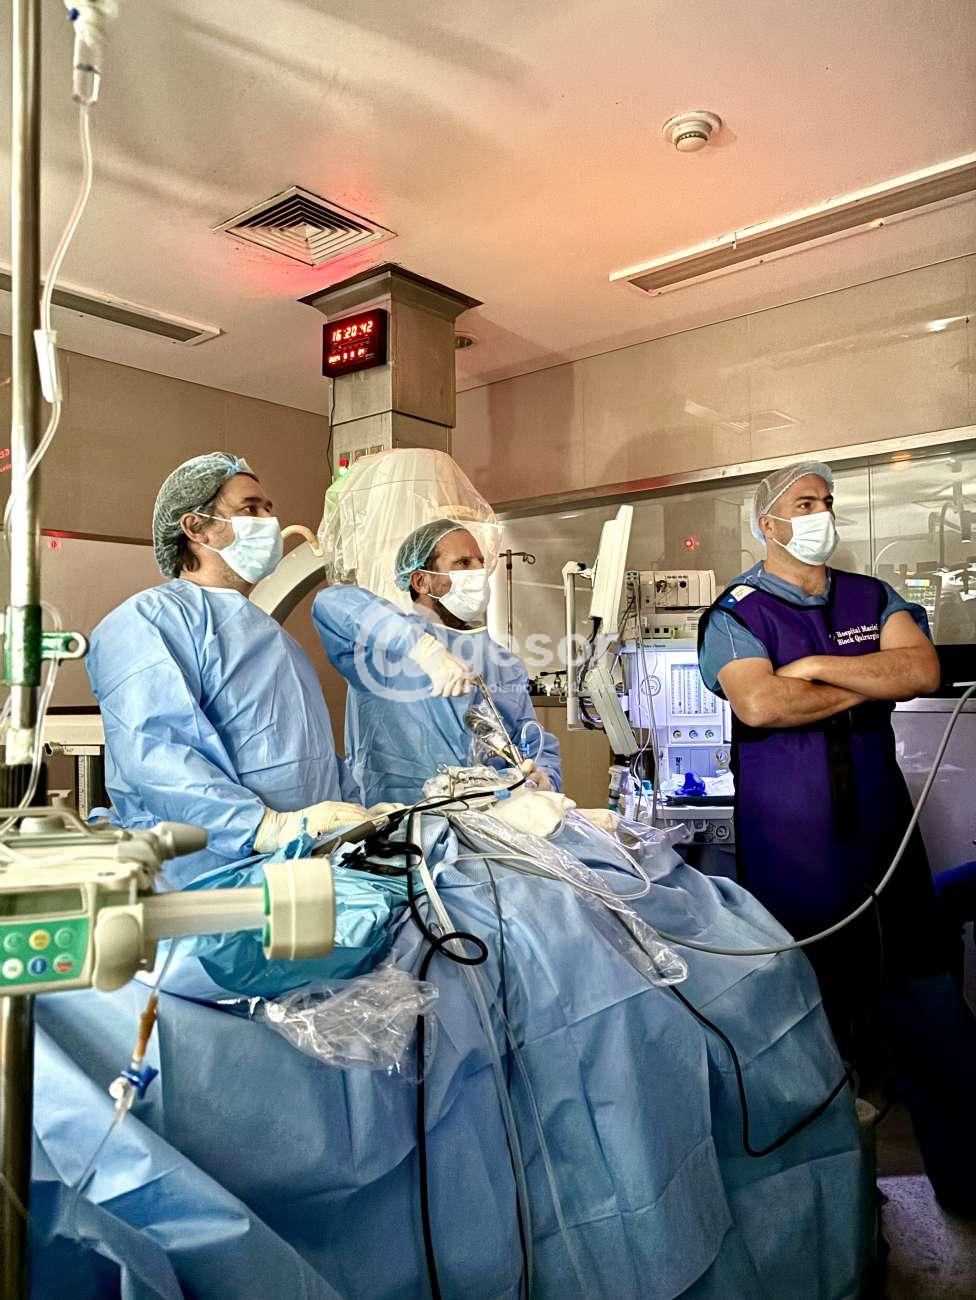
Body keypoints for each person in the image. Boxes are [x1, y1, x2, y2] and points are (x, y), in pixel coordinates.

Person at [697, 459, 976, 1213]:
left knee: (934, 1016)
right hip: (795, 859)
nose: (820, 512)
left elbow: (921, 672)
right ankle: (833, 1209)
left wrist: (819, 665)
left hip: (885, 850)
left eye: (826, 500)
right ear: (768, 524)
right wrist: (866, 676)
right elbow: (762, 705)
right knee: (810, 1043)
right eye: (803, 503)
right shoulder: (737, 613)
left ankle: (968, 1185)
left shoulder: (870, 596)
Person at [87, 452, 368, 887]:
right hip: (208, 878)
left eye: (269, 509)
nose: (269, 522)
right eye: (250, 509)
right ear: (195, 527)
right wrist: (263, 826)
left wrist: (358, 811)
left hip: (297, 869)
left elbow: (307, 754)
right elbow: (157, 755)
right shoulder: (148, 622)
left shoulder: (276, 640)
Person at [312, 517, 561, 806]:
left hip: (491, 820)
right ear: (421, 580)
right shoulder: (382, 650)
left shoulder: (504, 663)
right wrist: (422, 649)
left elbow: (531, 741)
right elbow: (332, 603)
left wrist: (544, 776)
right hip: (403, 821)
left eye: (481, 562)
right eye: (463, 563)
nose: (478, 572)